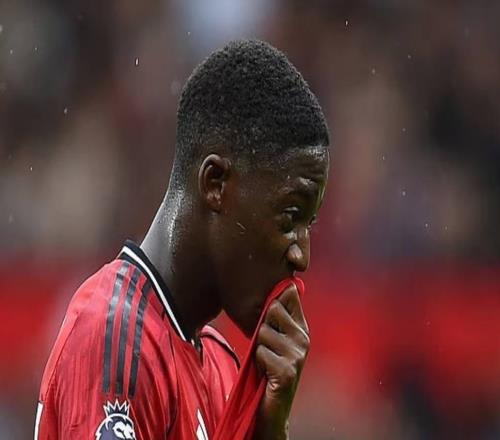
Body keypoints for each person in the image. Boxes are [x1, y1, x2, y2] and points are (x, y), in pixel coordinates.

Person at [34, 39, 330, 439]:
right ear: (215, 183)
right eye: (290, 216)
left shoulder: (221, 367)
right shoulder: (116, 339)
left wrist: (268, 431)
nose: (301, 256)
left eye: (309, 224)